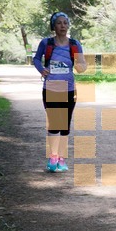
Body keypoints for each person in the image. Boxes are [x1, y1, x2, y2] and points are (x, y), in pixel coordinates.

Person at [32, 12, 87, 173]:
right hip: (51, 88)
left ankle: (61, 158)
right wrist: (42, 70)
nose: (62, 26)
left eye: (65, 22)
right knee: (55, 123)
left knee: (65, 125)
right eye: (59, 23)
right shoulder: (46, 43)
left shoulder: (75, 44)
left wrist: (81, 67)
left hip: (69, 89)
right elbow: (36, 59)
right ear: (53, 26)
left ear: (68, 25)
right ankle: (53, 156)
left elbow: (81, 64)